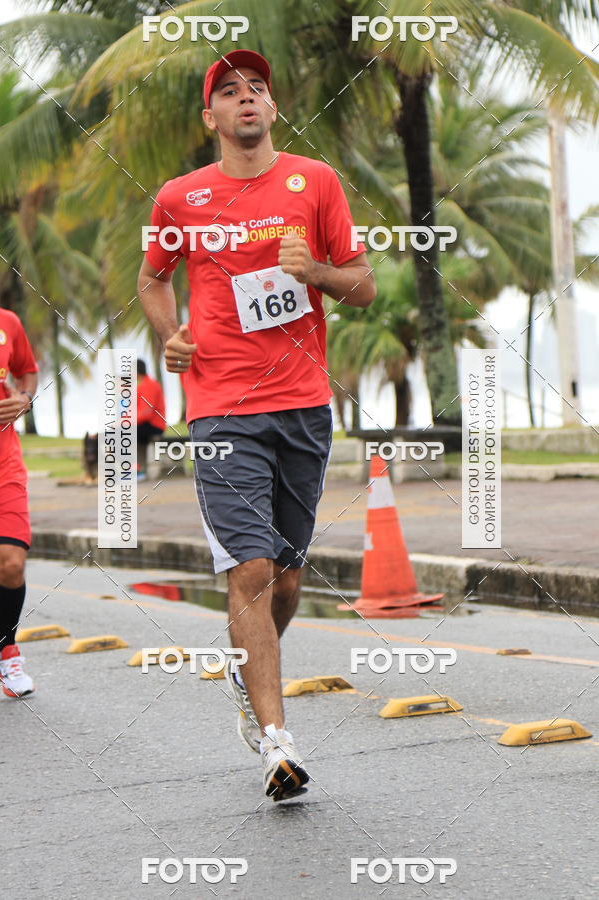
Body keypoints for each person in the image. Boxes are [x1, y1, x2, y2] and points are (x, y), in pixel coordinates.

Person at [137, 49, 375, 801]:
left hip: (303, 402)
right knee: (249, 570)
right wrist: (169, 335)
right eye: (229, 92)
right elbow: (152, 276)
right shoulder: (180, 199)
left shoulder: (317, 183)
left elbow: (363, 286)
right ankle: (276, 743)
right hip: (220, 406)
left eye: (257, 90)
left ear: (272, 110)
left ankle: (249, 672)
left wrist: (318, 276)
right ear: (210, 118)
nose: (246, 99)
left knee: (288, 579)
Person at [0, 308, 38, 698]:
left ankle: (7, 653)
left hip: (4, 464)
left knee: (11, 562)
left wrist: (23, 398)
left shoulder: (8, 322)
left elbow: (28, 370)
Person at [136, 358, 165, 480]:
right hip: (145, 425)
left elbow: (147, 412)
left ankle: (138, 471)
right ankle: (139, 470)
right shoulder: (142, 385)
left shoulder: (149, 385)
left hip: (154, 426)